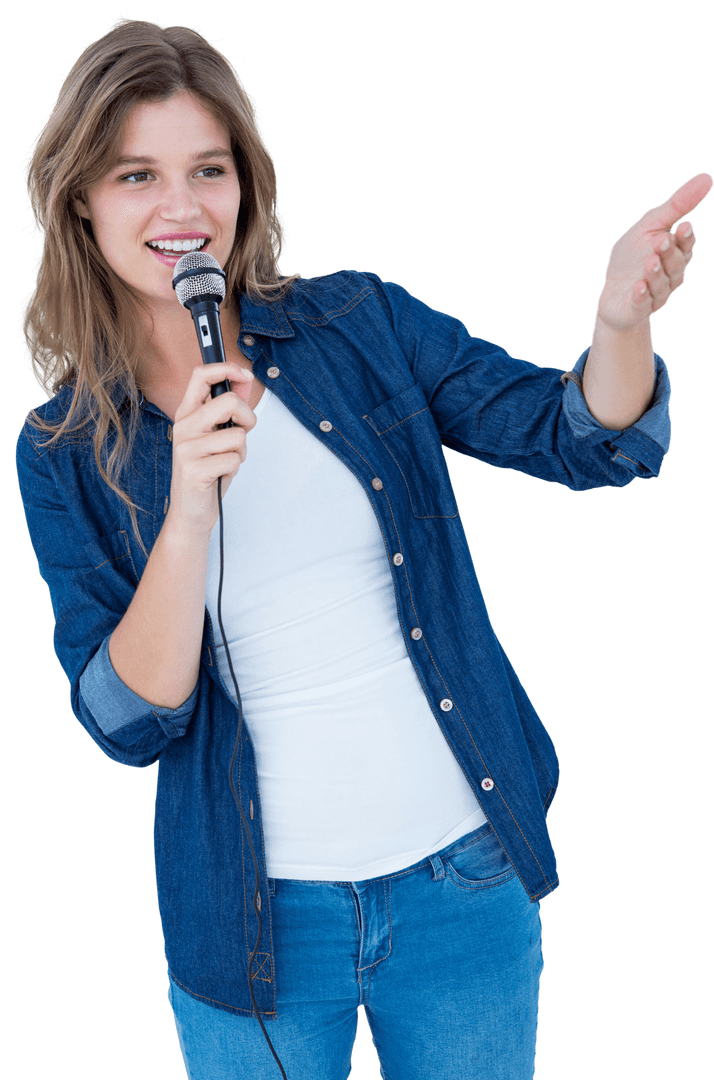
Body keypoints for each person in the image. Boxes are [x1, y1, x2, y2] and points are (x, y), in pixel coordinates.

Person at [15, 17, 710, 1080]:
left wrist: (620, 322)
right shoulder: (63, 450)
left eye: (209, 168)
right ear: (80, 203)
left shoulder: (358, 324)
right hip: (256, 930)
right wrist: (192, 506)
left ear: (246, 181)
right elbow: (127, 718)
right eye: (135, 175)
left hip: (463, 890)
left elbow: (576, 439)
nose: (183, 208)